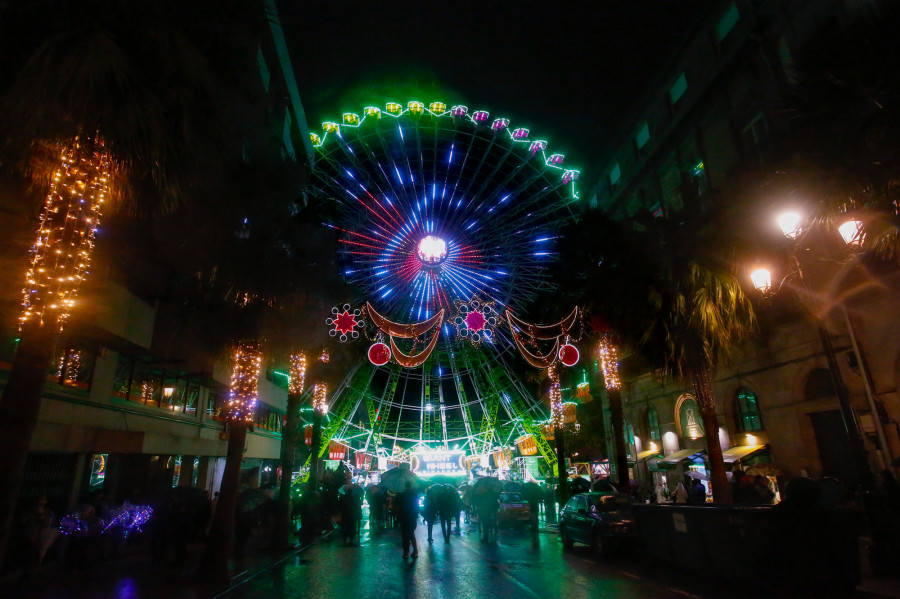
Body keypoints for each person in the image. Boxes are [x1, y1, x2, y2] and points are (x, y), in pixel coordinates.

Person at [396, 481, 419, 559]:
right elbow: (416, 507)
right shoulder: (414, 494)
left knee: (405, 536)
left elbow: (398, 507)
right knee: (410, 534)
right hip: (411, 518)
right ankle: (414, 550)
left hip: (404, 518)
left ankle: (407, 552)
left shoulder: (401, 495)